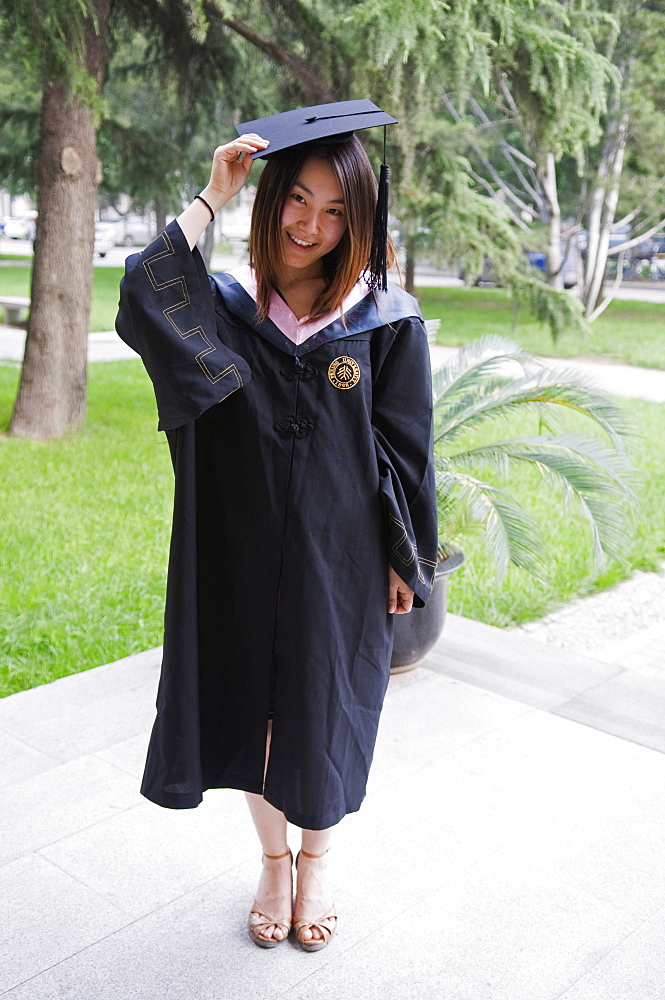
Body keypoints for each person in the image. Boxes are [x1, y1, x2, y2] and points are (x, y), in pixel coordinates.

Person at [116, 100, 437, 952]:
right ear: (272, 197)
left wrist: (406, 558)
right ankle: (270, 862)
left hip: (344, 552)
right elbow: (143, 287)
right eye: (297, 199)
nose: (312, 225)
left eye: (337, 211)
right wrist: (212, 193)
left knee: (323, 706)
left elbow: (406, 448)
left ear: (361, 223)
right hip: (240, 545)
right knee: (256, 708)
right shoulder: (223, 309)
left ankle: (317, 859)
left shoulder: (383, 320)